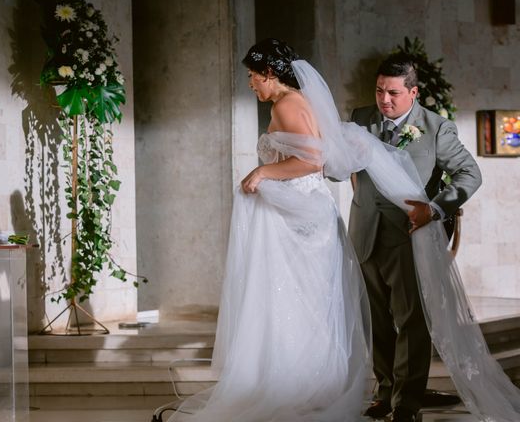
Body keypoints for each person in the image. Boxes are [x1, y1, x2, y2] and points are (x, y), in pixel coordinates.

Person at [167, 39, 371, 421]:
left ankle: (291, 384)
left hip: (299, 213)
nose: (250, 84)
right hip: (305, 211)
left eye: (252, 76)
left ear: (270, 74)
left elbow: (312, 160)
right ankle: (305, 381)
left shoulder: (287, 104)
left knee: (291, 294)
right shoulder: (297, 102)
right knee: (300, 297)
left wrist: (262, 171)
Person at [348, 54, 482, 422]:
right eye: (379, 91)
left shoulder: (436, 128)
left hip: (409, 238)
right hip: (364, 233)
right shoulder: (361, 118)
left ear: (413, 92)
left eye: (392, 93)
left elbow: (469, 175)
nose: (384, 100)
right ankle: (385, 391)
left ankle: (406, 405)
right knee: (374, 320)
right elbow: (340, 167)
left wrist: (435, 210)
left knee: (411, 322)